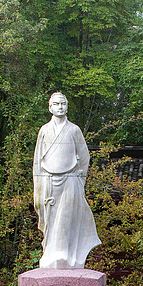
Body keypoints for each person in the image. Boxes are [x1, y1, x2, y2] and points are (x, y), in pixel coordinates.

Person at [33, 92, 101, 269]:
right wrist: (38, 188)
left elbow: (84, 157)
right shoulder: (44, 130)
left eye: (63, 104)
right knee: (51, 220)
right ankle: (51, 255)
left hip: (70, 179)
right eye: (56, 104)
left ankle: (68, 256)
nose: (60, 107)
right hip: (49, 180)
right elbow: (37, 162)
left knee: (68, 217)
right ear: (50, 107)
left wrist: (79, 179)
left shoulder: (74, 130)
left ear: (67, 106)